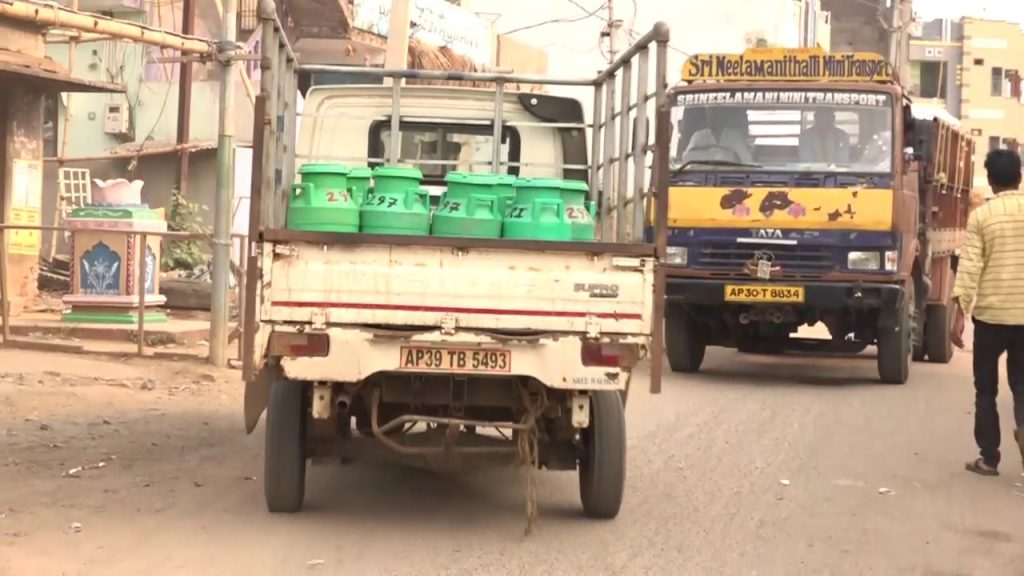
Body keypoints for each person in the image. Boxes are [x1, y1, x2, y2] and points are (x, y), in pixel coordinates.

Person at [951, 148, 1024, 476]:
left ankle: (989, 458)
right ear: (1020, 178)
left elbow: (969, 268)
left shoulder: (981, 217)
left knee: (986, 389)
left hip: (991, 318)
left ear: (992, 181)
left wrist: (959, 312)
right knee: (1022, 387)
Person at [679, 108, 754, 165]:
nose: (711, 115)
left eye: (714, 112)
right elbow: (686, 158)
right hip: (699, 179)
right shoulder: (698, 136)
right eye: (708, 112)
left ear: (721, 115)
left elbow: (747, 162)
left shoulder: (735, 136)